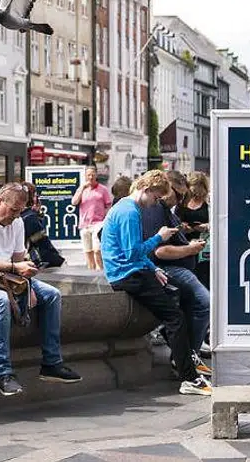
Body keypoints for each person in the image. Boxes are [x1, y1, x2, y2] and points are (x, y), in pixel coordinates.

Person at [0, 183, 80, 396]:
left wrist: (27, 284)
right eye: (13, 210)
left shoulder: (17, 222)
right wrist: (13, 268)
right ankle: (3, 373)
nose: (16, 216)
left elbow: (19, 262)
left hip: (5, 278)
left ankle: (51, 364)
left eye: (20, 211)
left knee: (52, 295)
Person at [101, 170, 211, 396]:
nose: (155, 203)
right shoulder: (130, 212)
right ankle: (188, 376)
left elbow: (134, 253)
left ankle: (184, 359)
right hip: (127, 275)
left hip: (130, 272)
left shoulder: (125, 207)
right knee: (176, 318)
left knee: (175, 304)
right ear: (146, 189)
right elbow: (133, 252)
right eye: (156, 197)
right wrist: (159, 237)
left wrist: (154, 268)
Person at [148, 171, 212, 374]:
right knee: (204, 301)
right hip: (172, 267)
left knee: (189, 308)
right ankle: (188, 354)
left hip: (183, 265)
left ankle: (184, 354)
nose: (182, 200)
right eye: (180, 195)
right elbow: (161, 251)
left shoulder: (166, 210)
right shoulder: (158, 210)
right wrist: (190, 249)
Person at [71, 167, 113, 271]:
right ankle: (91, 271)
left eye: (92, 175)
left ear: (96, 176)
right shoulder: (82, 189)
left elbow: (108, 205)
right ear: (85, 176)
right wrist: (81, 188)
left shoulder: (103, 189)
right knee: (88, 250)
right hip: (84, 224)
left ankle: (100, 270)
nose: (90, 177)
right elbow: (74, 202)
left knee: (97, 249)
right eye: (88, 175)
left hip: (98, 223)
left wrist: (106, 220)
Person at [177, 171, 212, 288]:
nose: (196, 193)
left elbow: (216, 222)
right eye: (193, 190)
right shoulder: (182, 202)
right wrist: (183, 226)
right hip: (186, 242)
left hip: (204, 245)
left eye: (198, 190)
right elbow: (176, 220)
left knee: (204, 275)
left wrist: (206, 226)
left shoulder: (209, 202)